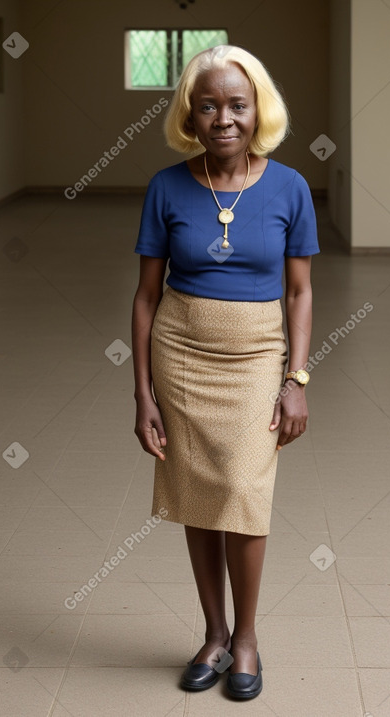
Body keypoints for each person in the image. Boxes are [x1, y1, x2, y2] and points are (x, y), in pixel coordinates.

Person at [131, 44, 319, 701]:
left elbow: (299, 292)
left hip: (255, 357)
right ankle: (213, 634)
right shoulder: (167, 186)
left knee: (242, 489)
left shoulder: (291, 187)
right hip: (180, 355)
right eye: (208, 105)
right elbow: (147, 296)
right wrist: (143, 395)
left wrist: (296, 379)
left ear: (257, 109)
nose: (224, 118)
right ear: (191, 114)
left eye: (237, 104)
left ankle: (247, 637)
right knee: (200, 496)